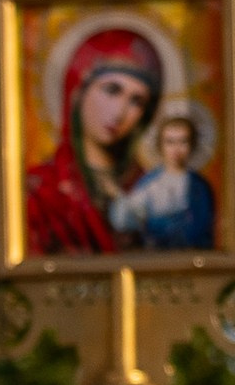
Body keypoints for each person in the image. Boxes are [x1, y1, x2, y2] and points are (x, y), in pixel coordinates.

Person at [24, 22, 163, 254]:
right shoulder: (40, 191)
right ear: (78, 90)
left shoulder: (150, 187)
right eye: (111, 90)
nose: (119, 113)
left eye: (136, 101)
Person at [113, 104, 217, 251]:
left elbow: (203, 229)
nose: (176, 149)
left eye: (183, 141)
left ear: (192, 144)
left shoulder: (200, 186)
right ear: (160, 145)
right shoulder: (148, 184)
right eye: (170, 142)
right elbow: (128, 222)